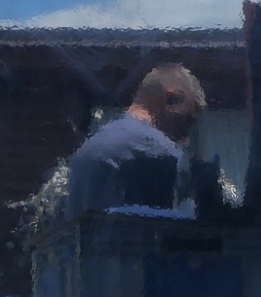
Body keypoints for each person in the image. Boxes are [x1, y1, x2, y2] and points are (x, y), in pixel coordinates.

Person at [66, 64, 207, 216]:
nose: (185, 137)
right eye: (187, 121)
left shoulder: (88, 149)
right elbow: (161, 227)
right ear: (171, 99)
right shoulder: (159, 152)